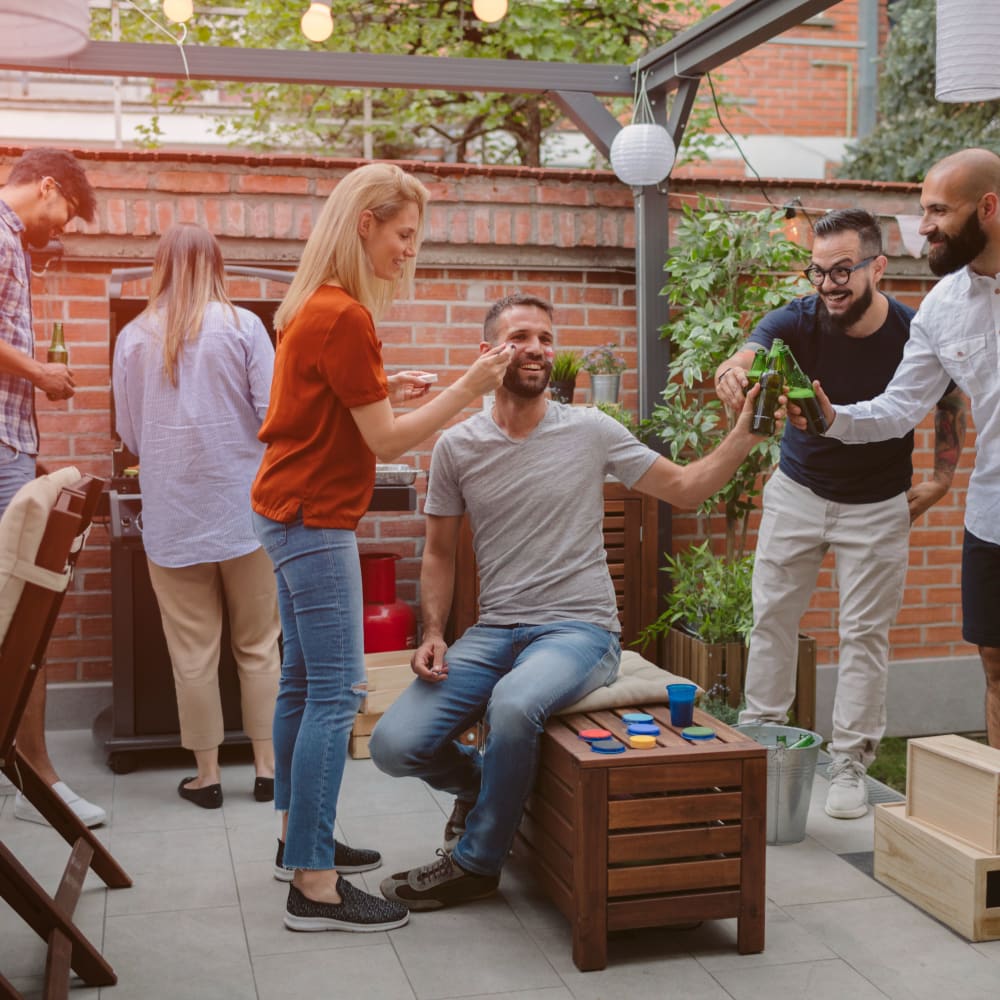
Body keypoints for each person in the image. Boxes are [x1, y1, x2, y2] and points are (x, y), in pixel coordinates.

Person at [369, 292, 770, 913]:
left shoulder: (590, 430)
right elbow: (440, 553)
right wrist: (432, 633)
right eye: (520, 336)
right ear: (488, 353)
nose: (537, 349)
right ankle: (486, 789)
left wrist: (744, 435)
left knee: (515, 702)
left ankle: (476, 863)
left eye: (546, 339)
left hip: (581, 632)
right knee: (394, 744)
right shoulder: (457, 446)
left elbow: (687, 489)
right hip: (496, 630)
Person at [250, 162, 513, 934]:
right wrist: (469, 388)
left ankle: (301, 841)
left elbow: (328, 408)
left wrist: (383, 385)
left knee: (302, 684)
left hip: (286, 510)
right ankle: (315, 887)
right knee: (335, 694)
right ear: (365, 222)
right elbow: (387, 440)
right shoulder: (344, 314)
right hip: (313, 518)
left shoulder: (314, 306)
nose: (411, 250)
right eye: (404, 234)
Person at [714, 208, 966, 820]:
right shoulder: (798, 320)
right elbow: (745, 354)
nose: (827, 284)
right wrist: (730, 373)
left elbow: (951, 399)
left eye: (842, 270)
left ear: (877, 267)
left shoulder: (914, 328)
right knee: (772, 619)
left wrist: (939, 478)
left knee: (864, 638)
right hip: (798, 493)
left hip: (878, 506)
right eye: (819, 271)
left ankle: (850, 762)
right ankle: (761, 740)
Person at [791, 149, 1000, 749]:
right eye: (922, 209)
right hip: (992, 517)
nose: (924, 226)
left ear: (987, 208)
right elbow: (898, 409)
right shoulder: (941, 309)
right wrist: (832, 419)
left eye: (938, 210)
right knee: (996, 666)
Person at [112, 223, 280, 808]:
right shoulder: (245, 327)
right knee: (260, 645)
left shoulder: (134, 335)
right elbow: (272, 416)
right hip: (248, 513)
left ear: (160, 266)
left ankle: (206, 778)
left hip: (174, 515)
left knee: (192, 651)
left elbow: (130, 435)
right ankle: (267, 770)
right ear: (217, 265)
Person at [0, 147, 104, 827]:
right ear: (47, 187)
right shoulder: (1, 235)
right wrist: (41, 375)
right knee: (25, 610)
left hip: (9, 443)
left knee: (16, 610)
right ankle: (34, 777)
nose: (60, 226)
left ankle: (25, 774)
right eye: (65, 210)